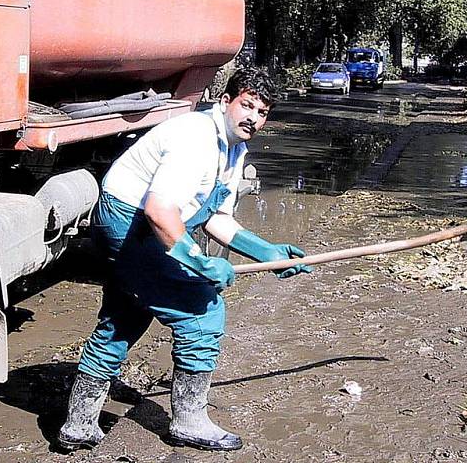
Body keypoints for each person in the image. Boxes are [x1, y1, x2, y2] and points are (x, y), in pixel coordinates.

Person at [58, 67, 311, 452]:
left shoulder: (233, 149)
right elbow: (160, 211)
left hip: (143, 224)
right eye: (247, 106)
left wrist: (268, 252)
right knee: (202, 309)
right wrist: (199, 263)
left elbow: (214, 217)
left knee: (126, 314)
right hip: (129, 222)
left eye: (262, 112)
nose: (253, 119)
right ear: (225, 101)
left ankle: (79, 424)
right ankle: (189, 421)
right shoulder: (197, 139)